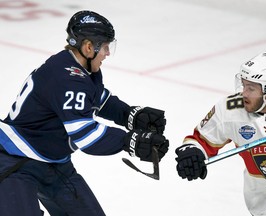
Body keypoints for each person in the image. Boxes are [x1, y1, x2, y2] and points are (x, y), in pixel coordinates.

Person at [0, 10, 169, 216]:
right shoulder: (67, 78)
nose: (107, 52)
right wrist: (130, 141)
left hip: (55, 164)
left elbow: (99, 100)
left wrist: (130, 115)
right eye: (105, 46)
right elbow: (85, 135)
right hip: (15, 163)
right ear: (89, 47)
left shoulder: (81, 70)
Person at [175, 52, 266, 216]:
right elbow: (201, 139)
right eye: (243, 85)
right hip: (264, 207)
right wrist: (192, 152)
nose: (244, 93)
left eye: (251, 88)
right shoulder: (231, 108)